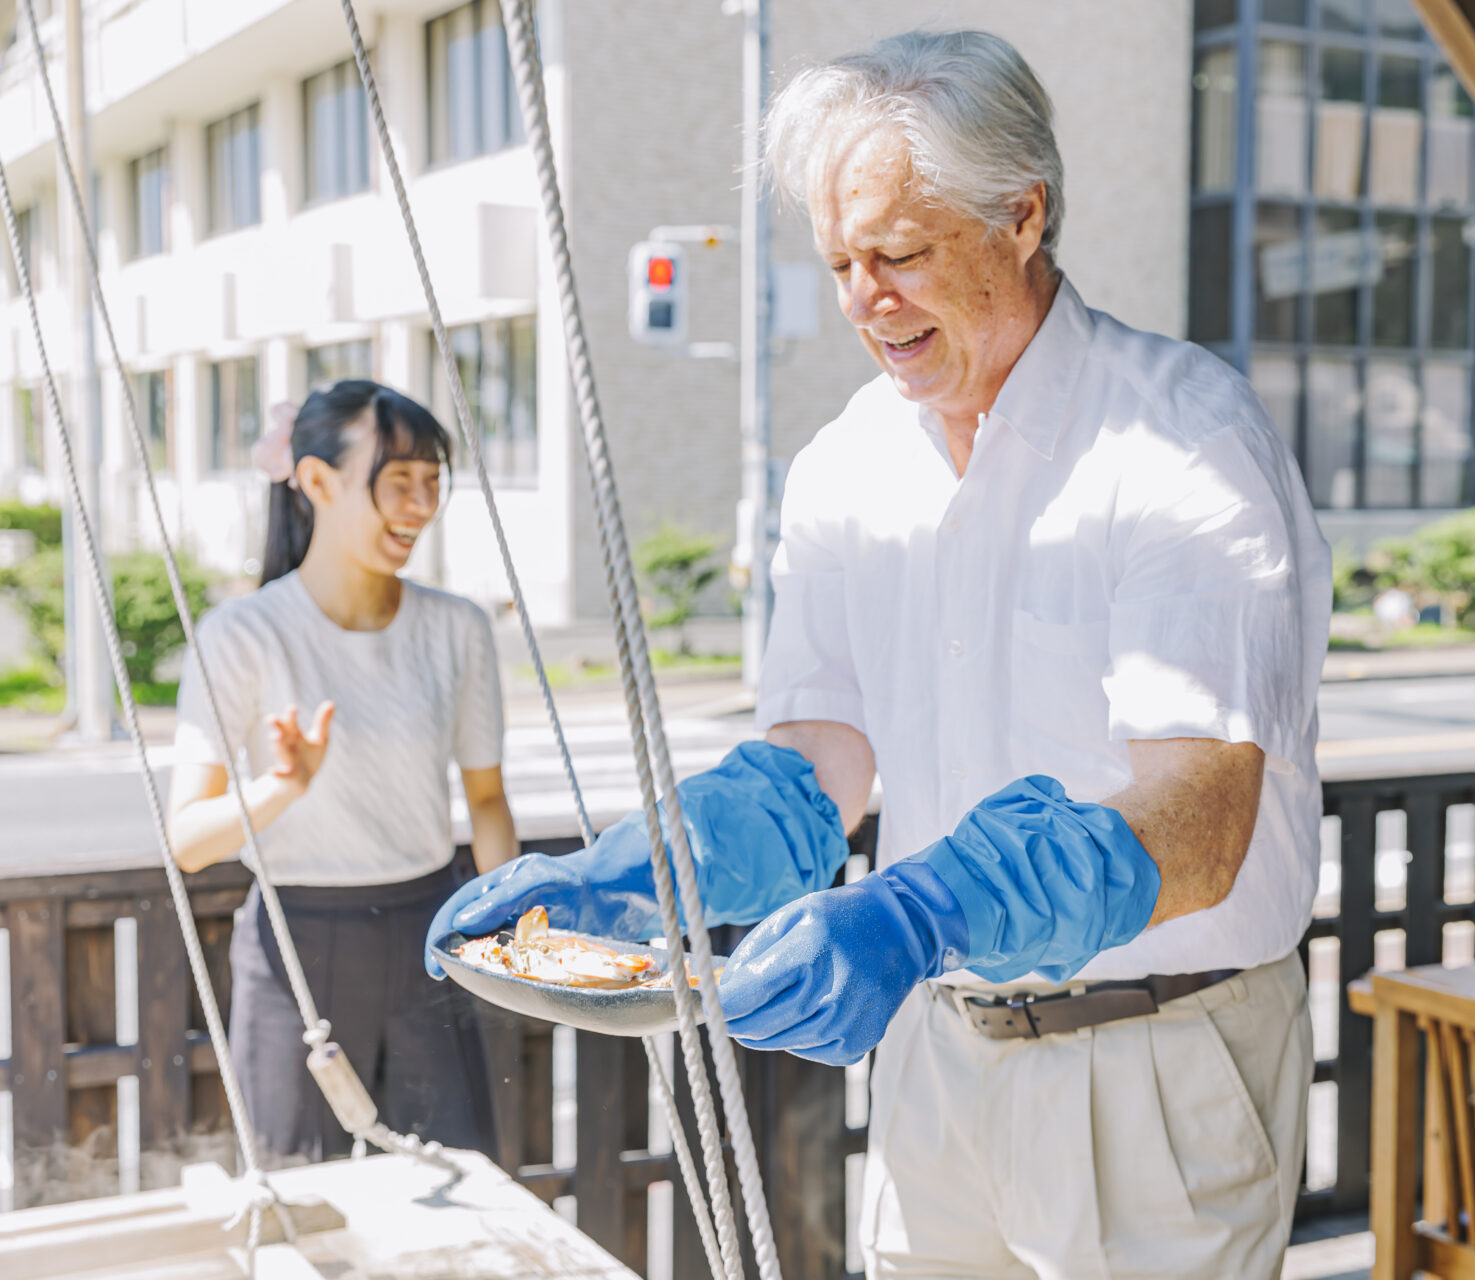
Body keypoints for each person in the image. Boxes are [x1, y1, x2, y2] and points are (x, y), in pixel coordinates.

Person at [431, 29, 1330, 1276]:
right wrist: (640, 875)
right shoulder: (851, 460)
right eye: (843, 263)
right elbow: (819, 756)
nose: (863, 299)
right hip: (940, 1052)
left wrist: (925, 905)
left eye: (901, 254)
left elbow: (1201, 816)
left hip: (1156, 1057)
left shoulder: (1179, 442)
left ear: (1024, 215)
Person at [171, 380, 514, 1165]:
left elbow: (487, 800)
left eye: (433, 481)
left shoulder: (457, 627)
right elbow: (188, 842)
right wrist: (282, 788)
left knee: (462, 1187)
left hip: (433, 929)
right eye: (398, 480)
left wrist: (513, 932)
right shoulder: (241, 635)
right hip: (296, 944)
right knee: (303, 1198)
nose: (420, 503)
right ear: (319, 482)